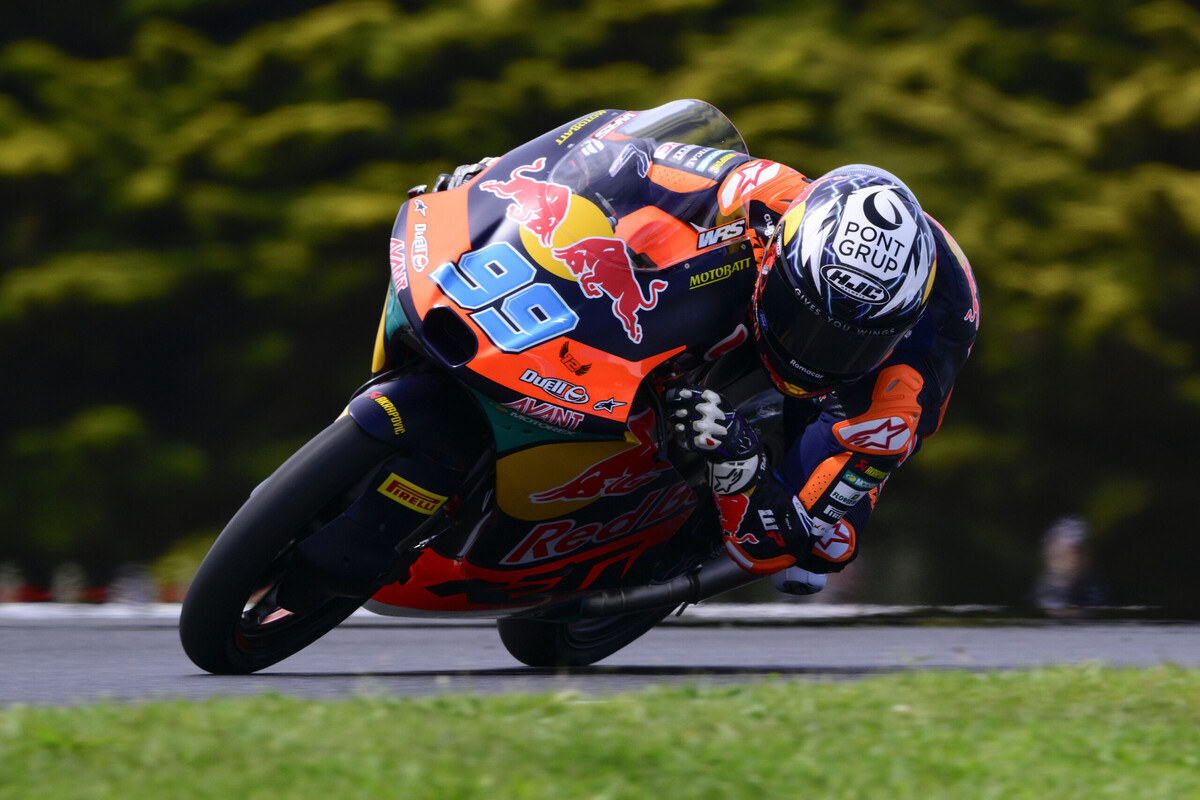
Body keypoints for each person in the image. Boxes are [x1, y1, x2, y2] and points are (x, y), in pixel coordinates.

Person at [412, 103, 980, 596]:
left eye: (844, 344)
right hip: (767, 260)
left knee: (816, 556)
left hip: (908, 352)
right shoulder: (761, 190)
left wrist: (741, 460)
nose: (814, 352)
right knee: (647, 228)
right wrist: (494, 180)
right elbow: (618, 155)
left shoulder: (905, 379)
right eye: (802, 319)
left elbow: (787, 539)